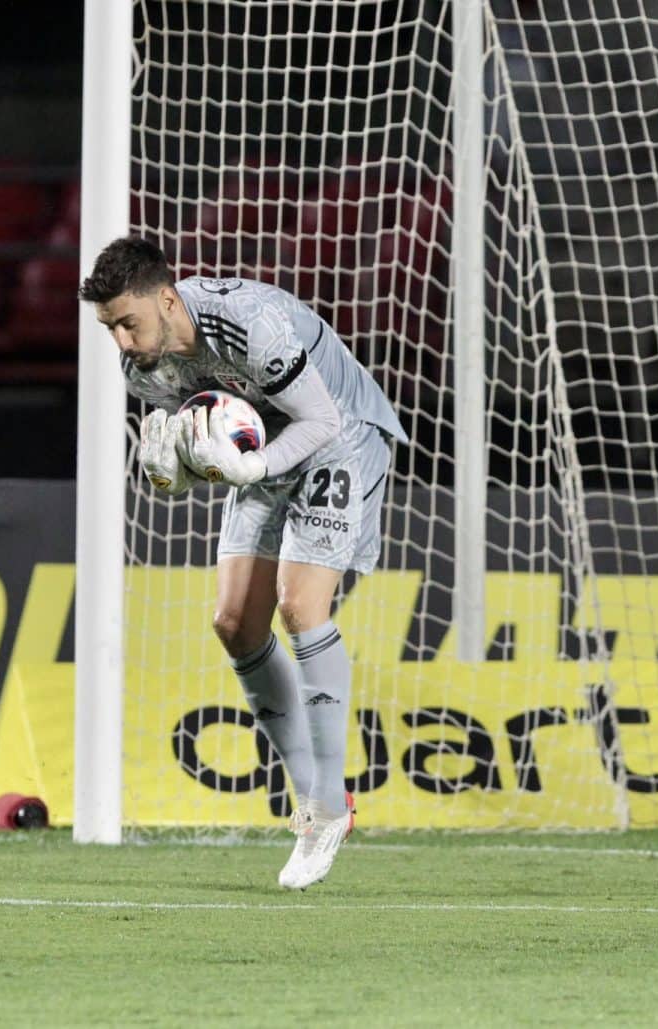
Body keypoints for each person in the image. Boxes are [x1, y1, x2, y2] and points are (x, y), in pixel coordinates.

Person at [78, 235, 408, 890]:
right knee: (233, 624)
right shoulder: (145, 371)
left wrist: (251, 467)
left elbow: (319, 420)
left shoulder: (249, 323)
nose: (120, 341)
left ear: (166, 300)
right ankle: (312, 794)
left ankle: (325, 805)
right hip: (269, 451)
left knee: (300, 605)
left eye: (127, 323)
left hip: (340, 435)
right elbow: (216, 448)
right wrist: (175, 474)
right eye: (109, 327)